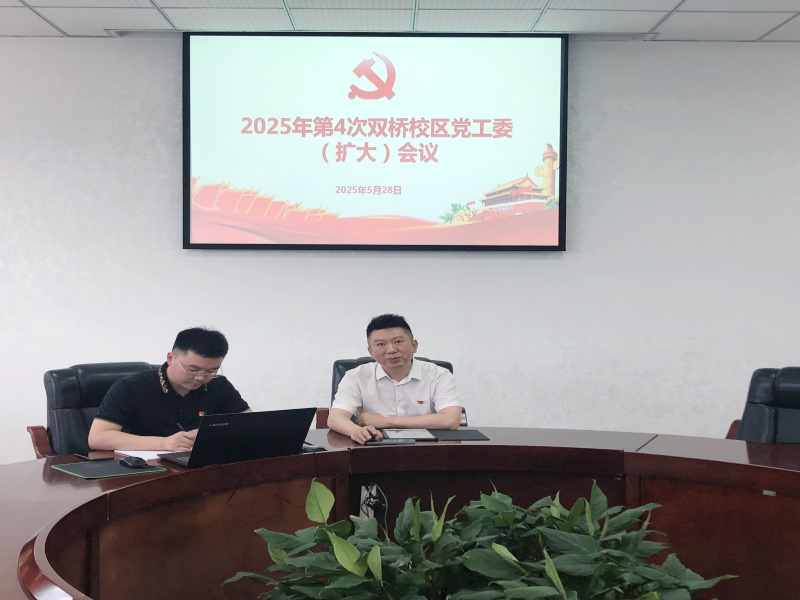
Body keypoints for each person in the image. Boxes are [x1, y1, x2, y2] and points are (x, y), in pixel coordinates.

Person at [88, 327, 250, 451]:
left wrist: (207, 433)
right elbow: (97, 438)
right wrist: (164, 443)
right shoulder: (131, 387)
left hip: (197, 464)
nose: (201, 377)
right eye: (193, 369)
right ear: (171, 358)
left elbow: (249, 423)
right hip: (143, 469)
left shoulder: (218, 384)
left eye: (211, 371)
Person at [327, 314, 461, 444]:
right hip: (374, 447)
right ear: (370, 351)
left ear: (414, 345)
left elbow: (451, 420)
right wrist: (355, 430)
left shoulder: (439, 375)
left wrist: (384, 421)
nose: (391, 350)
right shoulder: (355, 377)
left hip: (428, 447)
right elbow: (335, 418)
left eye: (398, 342)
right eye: (381, 344)